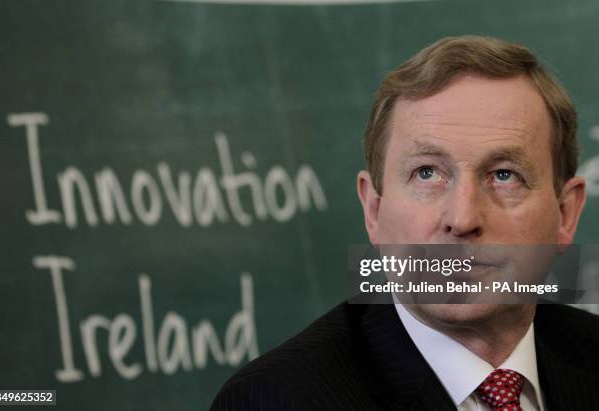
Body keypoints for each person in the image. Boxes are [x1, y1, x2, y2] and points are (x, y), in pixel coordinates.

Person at [210, 35, 599, 410]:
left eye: (504, 175)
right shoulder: (274, 400)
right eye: (427, 173)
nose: (462, 219)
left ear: (566, 214)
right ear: (373, 212)